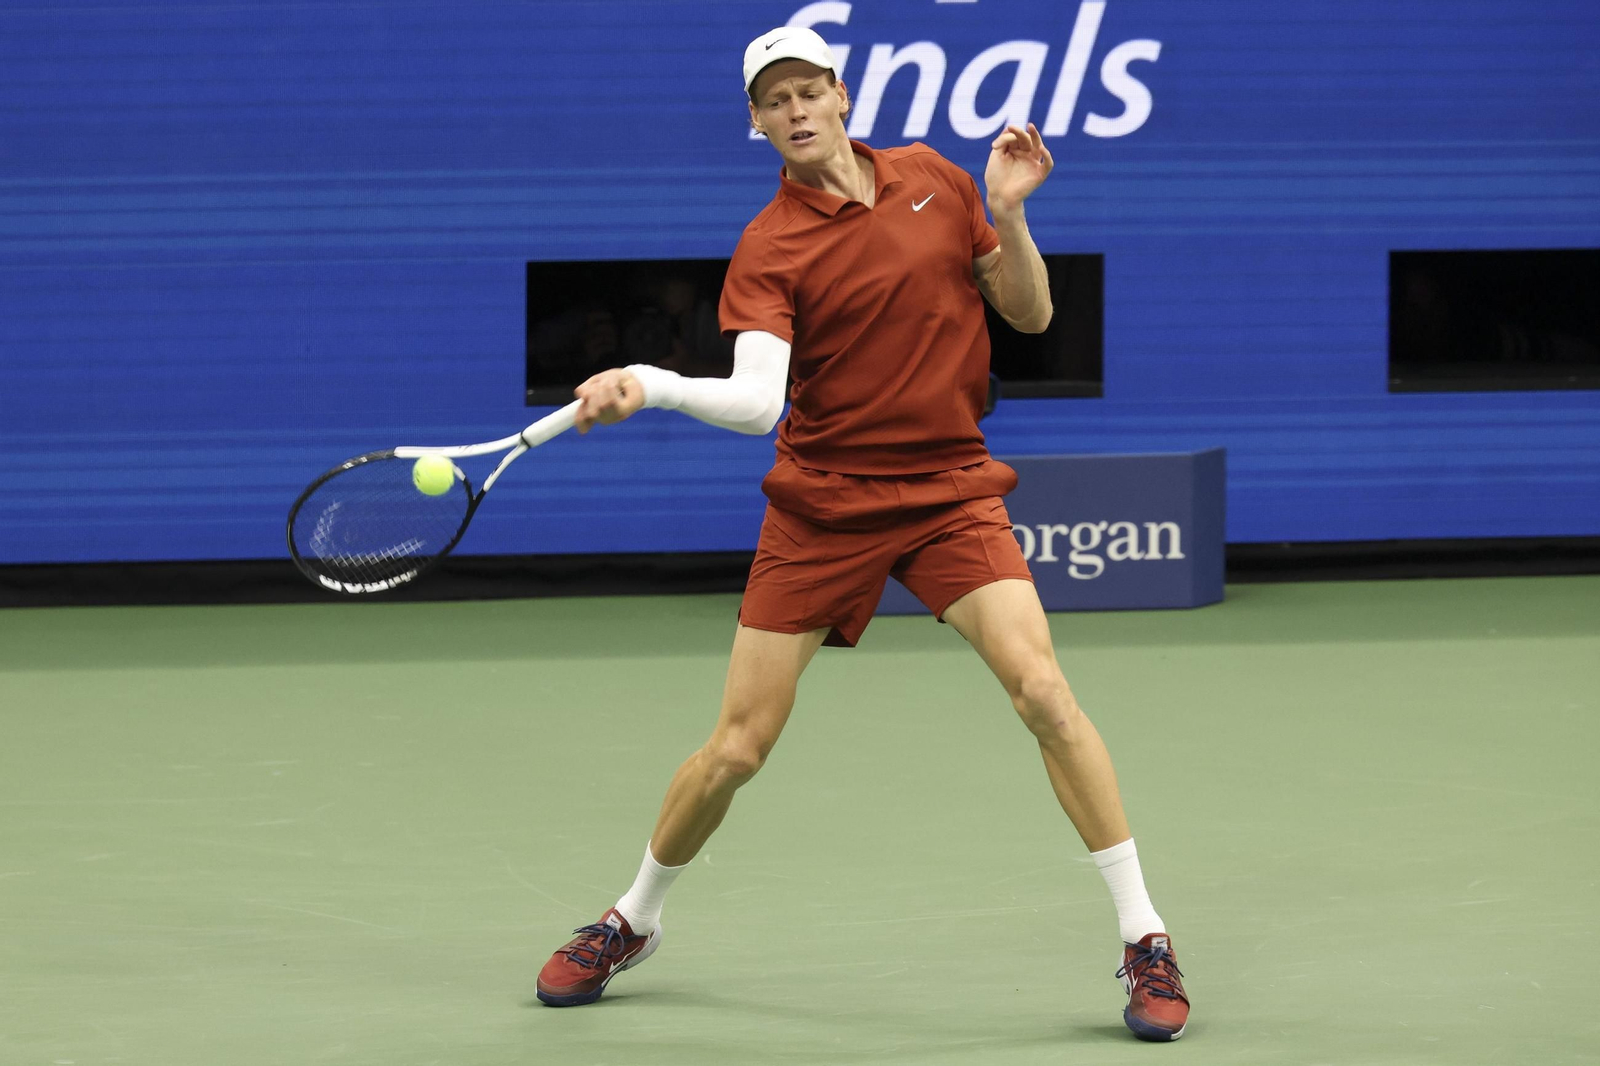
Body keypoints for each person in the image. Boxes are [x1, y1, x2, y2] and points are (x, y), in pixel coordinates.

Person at [534, 26, 1191, 1043]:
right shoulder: (769, 245)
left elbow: (1026, 314)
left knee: (1045, 693)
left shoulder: (935, 178)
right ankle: (634, 919)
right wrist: (650, 383)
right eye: (774, 100)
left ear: (841, 94)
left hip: (947, 491)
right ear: (756, 123)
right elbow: (759, 403)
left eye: (808, 90)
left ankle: (1144, 935)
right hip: (824, 504)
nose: (795, 110)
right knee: (738, 748)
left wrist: (1009, 213)